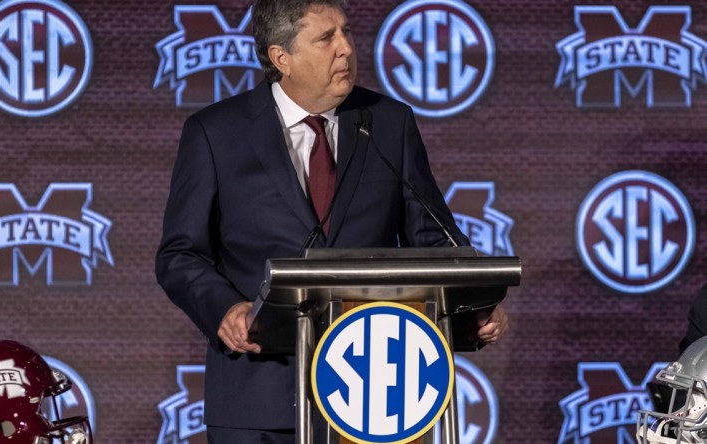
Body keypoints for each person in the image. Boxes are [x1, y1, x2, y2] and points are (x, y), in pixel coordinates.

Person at [155, 0, 509, 442]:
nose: (345, 48)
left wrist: (473, 302)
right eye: (326, 38)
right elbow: (180, 254)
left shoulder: (387, 122)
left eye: (345, 32)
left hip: (375, 394)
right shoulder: (216, 132)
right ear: (280, 57)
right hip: (258, 393)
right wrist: (225, 308)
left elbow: (434, 236)